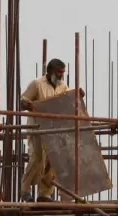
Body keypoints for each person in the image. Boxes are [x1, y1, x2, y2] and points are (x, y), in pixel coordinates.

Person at [20, 59, 82, 198]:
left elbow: (66, 104)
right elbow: (22, 101)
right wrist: (30, 105)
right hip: (36, 126)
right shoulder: (37, 84)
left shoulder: (63, 86)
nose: (61, 75)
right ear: (50, 72)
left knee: (52, 159)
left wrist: (76, 96)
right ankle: (25, 190)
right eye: (59, 72)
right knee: (37, 157)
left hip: (53, 128)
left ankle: (45, 194)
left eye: (62, 72)